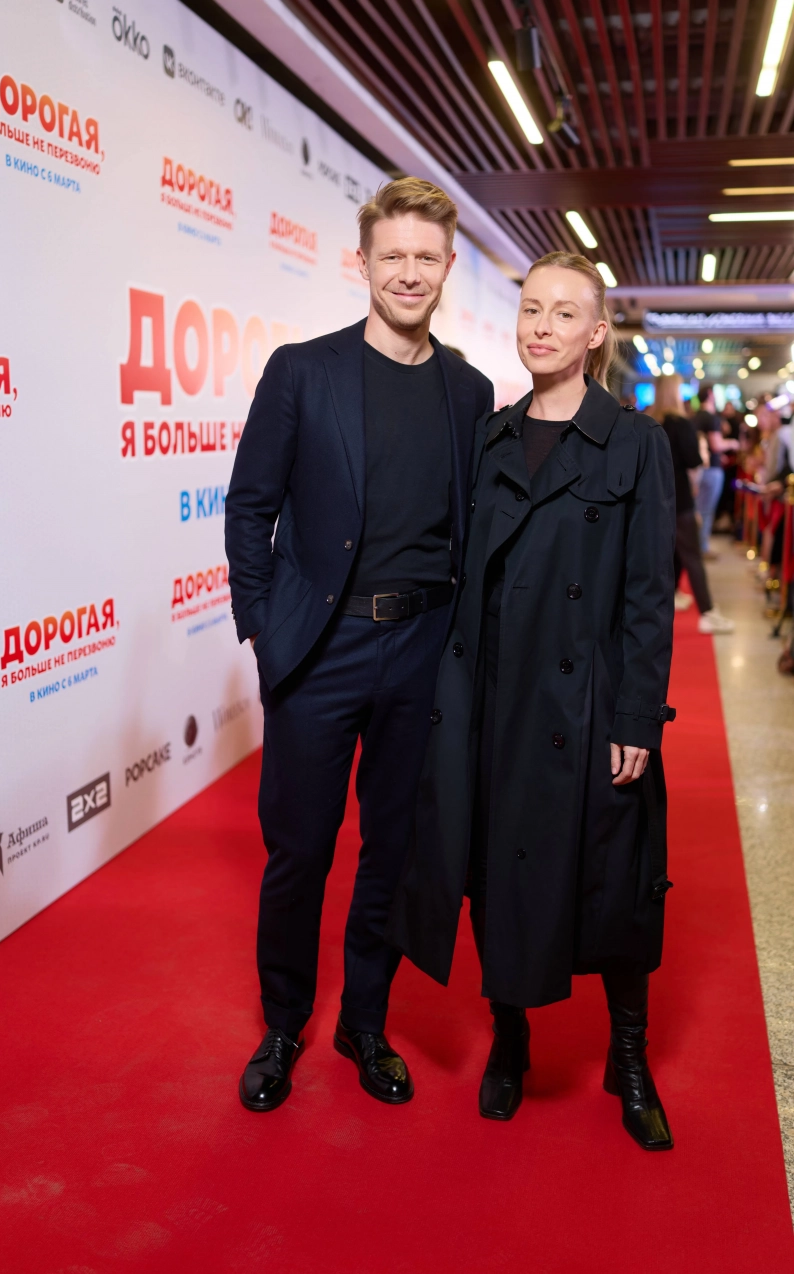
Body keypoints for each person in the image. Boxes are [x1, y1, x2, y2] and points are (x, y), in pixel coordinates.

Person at [389, 252, 677, 1150]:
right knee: (497, 873)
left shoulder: (634, 441)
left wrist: (637, 716)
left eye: (563, 313)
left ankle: (629, 1057)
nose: (542, 327)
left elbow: (647, 594)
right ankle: (510, 1040)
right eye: (530, 310)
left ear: (596, 333)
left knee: (616, 882)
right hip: (496, 699)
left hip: (588, 703)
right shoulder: (492, 435)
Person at [224, 178, 493, 1112]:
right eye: (393, 256)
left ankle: (364, 1023)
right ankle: (283, 1024)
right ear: (364, 262)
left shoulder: (469, 390)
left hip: (424, 648)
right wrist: (266, 629)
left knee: (394, 848)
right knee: (299, 849)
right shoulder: (303, 371)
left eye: (426, 257)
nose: (409, 273)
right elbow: (250, 508)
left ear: (447, 266)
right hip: (319, 647)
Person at [653, 376, 735, 634]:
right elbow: (693, 460)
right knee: (692, 554)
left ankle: (674, 592)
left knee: (673, 551)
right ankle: (707, 612)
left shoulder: (648, 421)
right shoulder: (680, 423)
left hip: (654, 497)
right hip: (679, 495)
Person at [693, 385, 739, 556]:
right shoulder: (711, 418)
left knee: (698, 509)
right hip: (711, 469)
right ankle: (702, 548)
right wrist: (733, 443)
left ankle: (698, 546)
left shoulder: (695, 417)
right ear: (710, 395)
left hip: (698, 469)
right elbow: (716, 444)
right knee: (706, 510)